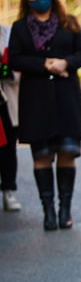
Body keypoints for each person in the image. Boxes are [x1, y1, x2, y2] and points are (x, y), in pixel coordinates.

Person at [7, 0, 81, 230]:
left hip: (66, 97)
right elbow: (15, 60)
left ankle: (65, 209)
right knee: (42, 155)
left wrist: (65, 63)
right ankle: (48, 211)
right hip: (36, 100)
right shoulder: (19, 28)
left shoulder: (69, 23)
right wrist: (43, 65)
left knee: (67, 153)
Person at [1, 24, 22, 212]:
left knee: (8, 148)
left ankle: (8, 190)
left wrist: (7, 70)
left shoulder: (8, 33)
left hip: (5, 101)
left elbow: (18, 64)